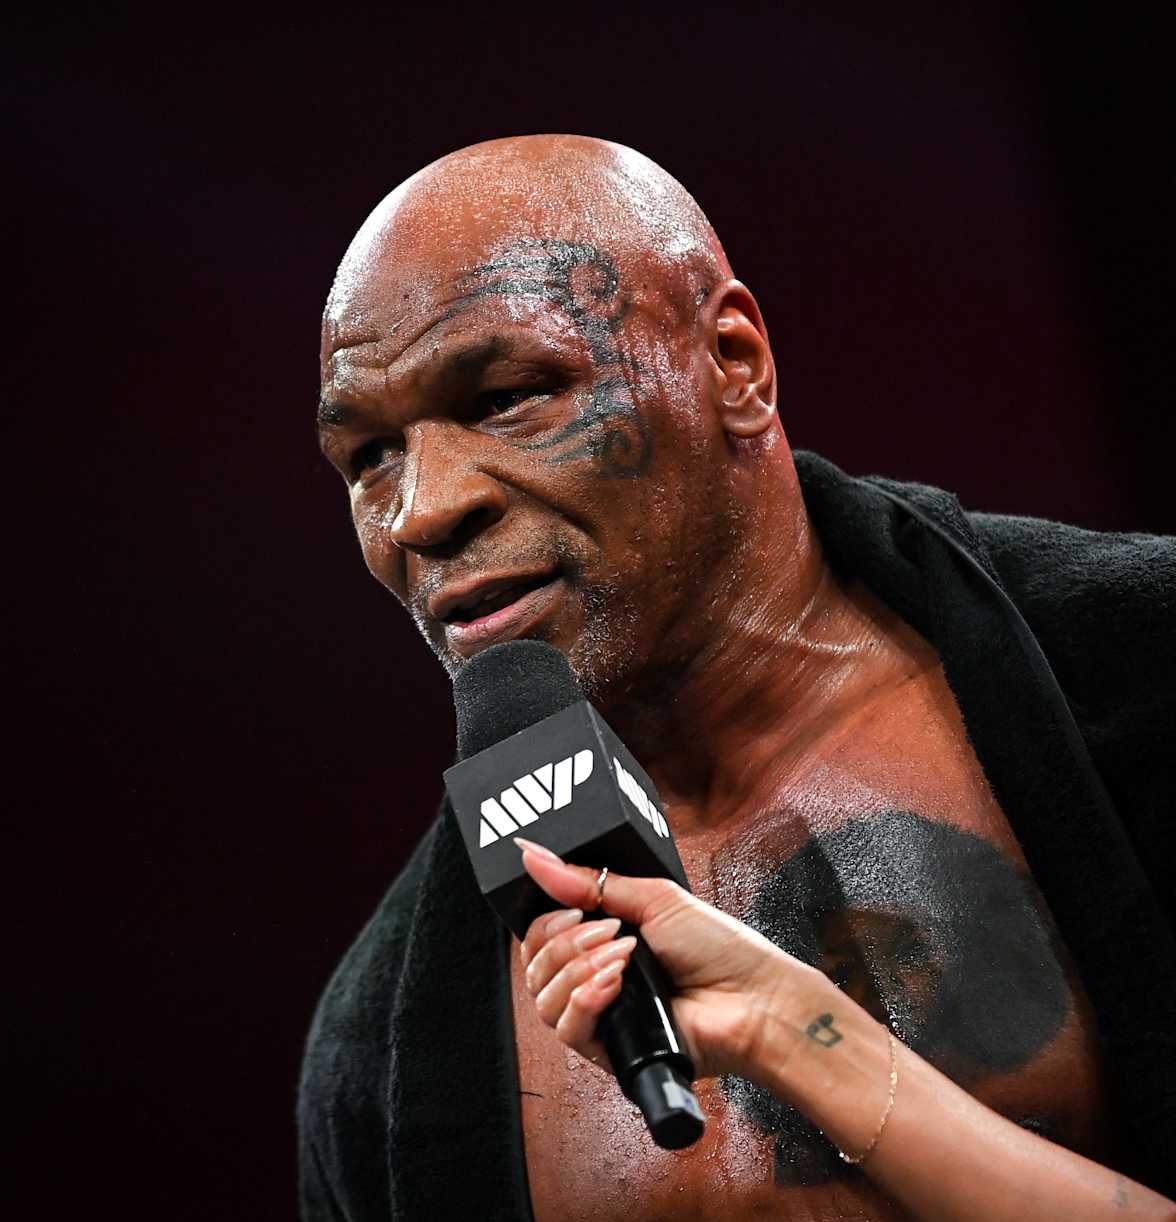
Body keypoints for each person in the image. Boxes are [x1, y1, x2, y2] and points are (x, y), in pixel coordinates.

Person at [298, 135, 1176, 1220]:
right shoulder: (377, 1043)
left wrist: (820, 1052)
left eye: (511, 394)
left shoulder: (1144, 666)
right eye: (369, 457)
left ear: (733, 364)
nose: (424, 509)